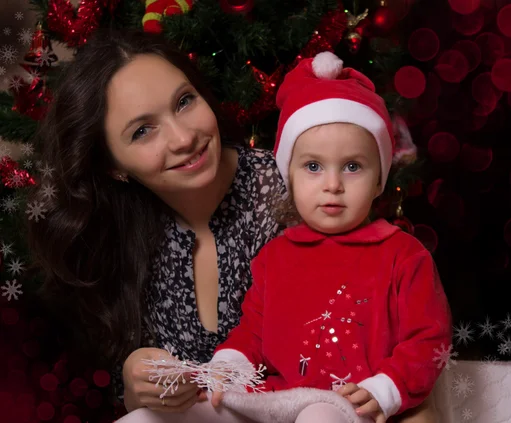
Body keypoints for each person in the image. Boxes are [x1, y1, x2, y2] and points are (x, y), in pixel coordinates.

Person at [27, 29, 439, 422]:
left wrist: (387, 395)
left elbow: (404, 344)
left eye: (184, 101)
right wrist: (140, 382)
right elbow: (144, 402)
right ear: (113, 166)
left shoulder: (306, 187)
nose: (182, 137)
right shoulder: (120, 236)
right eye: (142, 131)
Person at [206, 52, 452, 423]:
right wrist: (228, 365)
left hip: (356, 409)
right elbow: (252, 335)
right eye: (313, 166)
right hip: (278, 404)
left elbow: (428, 338)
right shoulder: (274, 258)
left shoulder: (404, 255)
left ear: (378, 181)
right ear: (290, 176)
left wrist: (386, 388)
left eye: (353, 166)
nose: (333, 185)